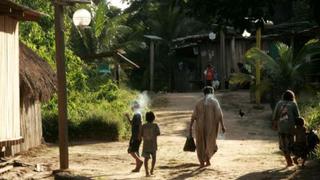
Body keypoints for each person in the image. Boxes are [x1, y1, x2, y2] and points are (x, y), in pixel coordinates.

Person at [189, 86, 226, 167]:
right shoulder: (214, 102)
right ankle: (207, 159)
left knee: (200, 143)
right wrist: (223, 126)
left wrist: (190, 126)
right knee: (210, 142)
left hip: (200, 126)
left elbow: (193, 116)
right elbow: (219, 114)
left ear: (204, 93)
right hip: (211, 127)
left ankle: (202, 162)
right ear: (212, 93)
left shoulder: (199, 102)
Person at [272, 90, 300, 167]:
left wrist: (274, 125)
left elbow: (275, 115)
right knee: (291, 144)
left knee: (284, 145)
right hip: (290, 128)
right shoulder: (293, 104)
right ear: (292, 96)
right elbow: (297, 117)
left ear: (283, 96)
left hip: (281, 127)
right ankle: (291, 160)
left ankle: (289, 161)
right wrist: (299, 127)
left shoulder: (279, 103)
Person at [125, 101, 143, 172]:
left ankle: (139, 161)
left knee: (130, 150)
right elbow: (132, 123)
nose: (131, 107)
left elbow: (140, 125)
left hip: (136, 136)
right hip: (135, 136)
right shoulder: (136, 114)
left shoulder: (137, 114)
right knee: (135, 151)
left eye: (133, 106)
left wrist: (139, 135)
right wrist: (128, 117)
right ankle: (137, 167)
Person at [141, 111, 160, 177]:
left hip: (146, 145)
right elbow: (158, 133)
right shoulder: (155, 125)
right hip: (153, 145)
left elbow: (141, 134)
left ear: (146, 118)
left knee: (146, 159)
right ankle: (151, 170)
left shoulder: (143, 125)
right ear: (153, 118)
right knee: (154, 158)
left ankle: (146, 172)